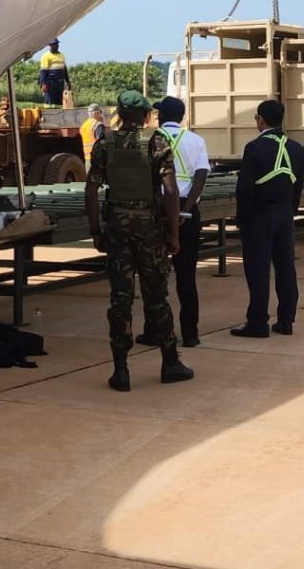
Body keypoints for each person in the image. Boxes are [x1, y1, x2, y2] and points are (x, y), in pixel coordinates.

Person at [85, 89, 193, 390]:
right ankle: (170, 362)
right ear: (146, 115)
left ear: (119, 114)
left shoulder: (104, 144)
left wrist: (96, 230)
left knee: (120, 299)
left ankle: (121, 370)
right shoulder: (156, 142)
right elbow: (170, 191)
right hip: (149, 229)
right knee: (156, 296)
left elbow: (91, 190)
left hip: (117, 228)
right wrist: (174, 233)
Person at [135, 96, 209, 347]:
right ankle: (190, 334)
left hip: (156, 211)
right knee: (187, 277)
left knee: (153, 277)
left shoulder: (150, 140)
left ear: (161, 116)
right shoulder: (196, 140)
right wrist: (185, 210)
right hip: (187, 211)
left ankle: (154, 331)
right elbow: (201, 176)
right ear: (182, 116)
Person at [231, 99, 304, 337]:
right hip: (285, 213)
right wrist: (291, 210)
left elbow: (245, 188)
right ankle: (286, 320)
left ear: (261, 120)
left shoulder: (254, 148)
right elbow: (299, 184)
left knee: (258, 269)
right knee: (286, 267)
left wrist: (242, 217)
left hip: (259, 215)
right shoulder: (295, 148)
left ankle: (258, 322)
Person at [38, 39, 71, 105]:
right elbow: (43, 72)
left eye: (57, 44)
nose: (56, 46)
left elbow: (64, 70)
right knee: (50, 102)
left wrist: (68, 82)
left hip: (60, 83)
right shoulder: (46, 56)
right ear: (50, 45)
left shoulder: (62, 55)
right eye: (54, 44)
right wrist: (43, 84)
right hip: (50, 83)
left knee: (59, 102)